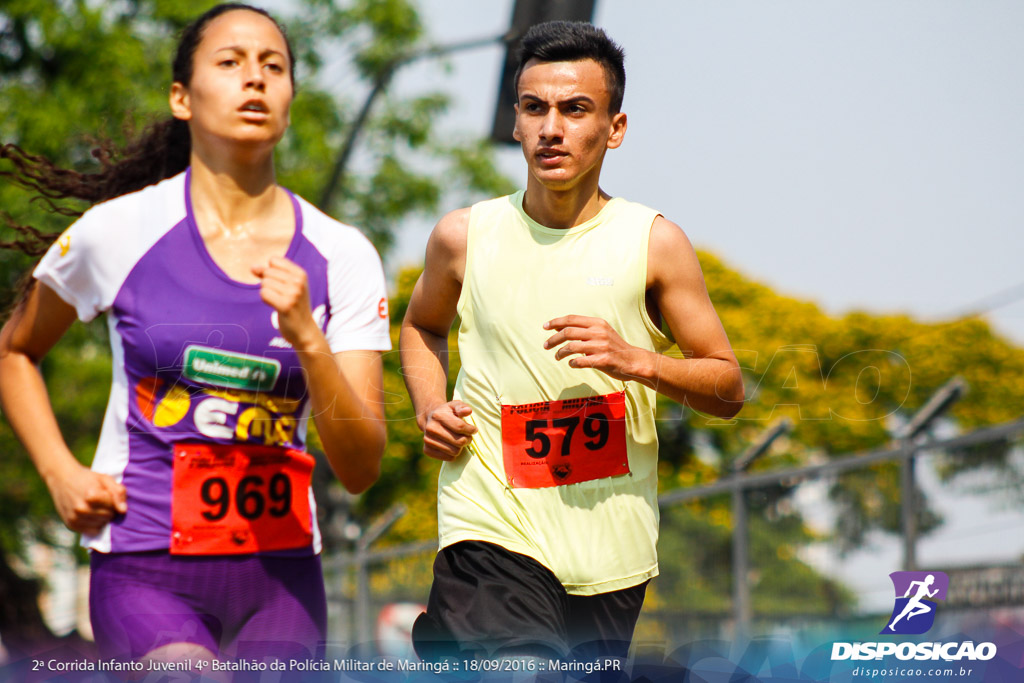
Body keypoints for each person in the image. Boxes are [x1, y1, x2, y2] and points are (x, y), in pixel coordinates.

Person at [0, 3, 390, 666]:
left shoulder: (341, 253)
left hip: (282, 577)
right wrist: (60, 471)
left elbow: (359, 466)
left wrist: (308, 339)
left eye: (274, 67)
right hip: (146, 564)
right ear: (182, 97)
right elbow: (15, 350)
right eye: (231, 63)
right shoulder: (118, 230)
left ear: (291, 96)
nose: (256, 81)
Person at [399, 20, 745, 663]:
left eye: (574, 109)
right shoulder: (464, 237)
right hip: (489, 525)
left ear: (614, 128)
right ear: (515, 122)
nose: (550, 128)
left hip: (611, 552)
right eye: (534, 108)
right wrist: (430, 407)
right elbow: (421, 327)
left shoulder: (653, 243)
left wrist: (637, 360)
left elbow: (727, 387)